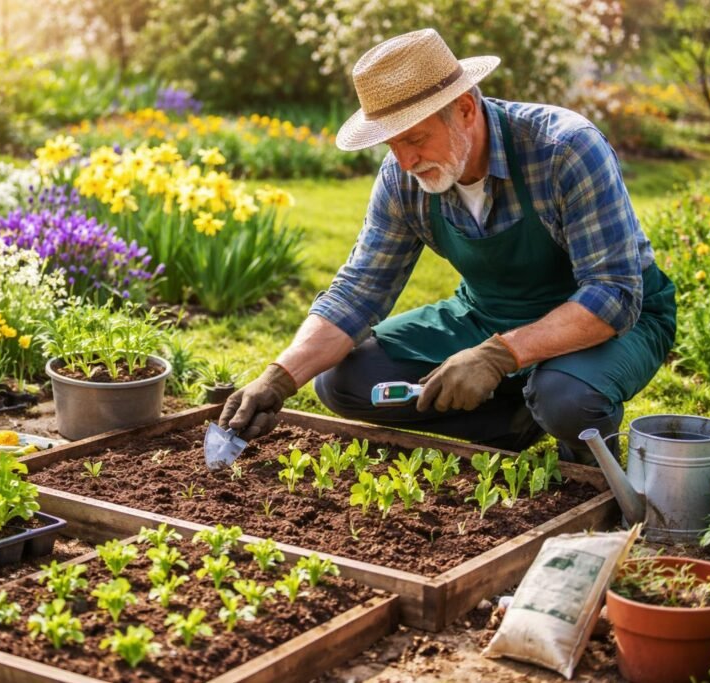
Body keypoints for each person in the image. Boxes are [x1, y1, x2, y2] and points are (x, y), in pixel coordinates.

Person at [218, 28, 676, 464]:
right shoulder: (403, 177)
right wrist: (278, 378)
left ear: (464, 109)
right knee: (343, 381)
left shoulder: (564, 149)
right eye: (392, 144)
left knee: (566, 399)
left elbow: (614, 293)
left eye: (415, 138)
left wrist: (498, 355)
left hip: (617, 319)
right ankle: (511, 423)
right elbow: (360, 290)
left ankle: (580, 460)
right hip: (489, 314)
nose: (406, 160)